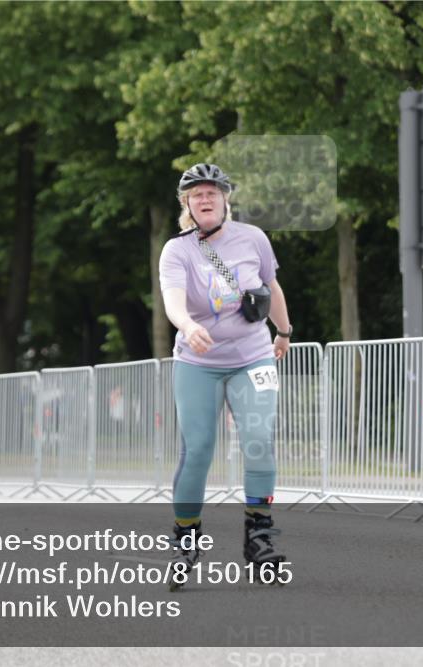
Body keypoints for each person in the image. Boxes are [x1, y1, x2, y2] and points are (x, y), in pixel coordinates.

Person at [158, 163, 293, 588]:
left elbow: (270, 288)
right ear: (187, 204)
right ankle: (186, 537)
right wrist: (187, 325)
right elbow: (173, 301)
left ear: (225, 199)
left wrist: (285, 331)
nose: (205, 198)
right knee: (198, 449)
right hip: (198, 362)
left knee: (258, 438)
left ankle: (259, 535)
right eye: (196, 194)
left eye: (212, 192)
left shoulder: (253, 238)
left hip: (253, 356)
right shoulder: (176, 250)